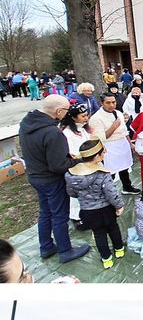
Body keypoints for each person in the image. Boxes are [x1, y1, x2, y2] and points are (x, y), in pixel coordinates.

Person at [19, 95, 91, 263]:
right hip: (51, 180)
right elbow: (58, 165)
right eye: (66, 110)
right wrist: (78, 160)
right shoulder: (53, 133)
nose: (67, 113)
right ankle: (65, 250)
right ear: (59, 111)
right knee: (59, 215)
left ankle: (46, 246)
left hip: (35, 176)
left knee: (45, 212)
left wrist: (63, 155)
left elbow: (42, 151)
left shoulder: (26, 124)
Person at [64, 138, 125, 270]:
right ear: (97, 156)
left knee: (98, 234)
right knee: (113, 229)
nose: (104, 154)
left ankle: (106, 258)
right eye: (103, 152)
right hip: (106, 210)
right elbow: (111, 193)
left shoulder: (71, 174)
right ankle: (119, 249)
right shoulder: (102, 173)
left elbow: (71, 192)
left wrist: (84, 198)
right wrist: (119, 205)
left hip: (87, 211)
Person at [89, 93, 140, 195]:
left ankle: (127, 186)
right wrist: (114, 126)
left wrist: (130, 143)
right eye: (108, 103)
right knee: (110, 170)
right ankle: (108, 192)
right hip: (109, 146)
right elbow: (100, 137)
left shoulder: (118, 113)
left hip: (122, 143)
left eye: (113, 102)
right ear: (102, 103)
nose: (111, 105)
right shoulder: (96, 118)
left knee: (124, 167)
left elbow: (125, 131)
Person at [60, 102, 93, 229]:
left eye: (86, 115)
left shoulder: (83, 129)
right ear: (73, 118)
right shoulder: (67, 133)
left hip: (88, 164)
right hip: (77, 166)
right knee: (78, 193)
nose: (86, 118)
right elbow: (72, 153)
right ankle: (76, 216)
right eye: (83, 116)